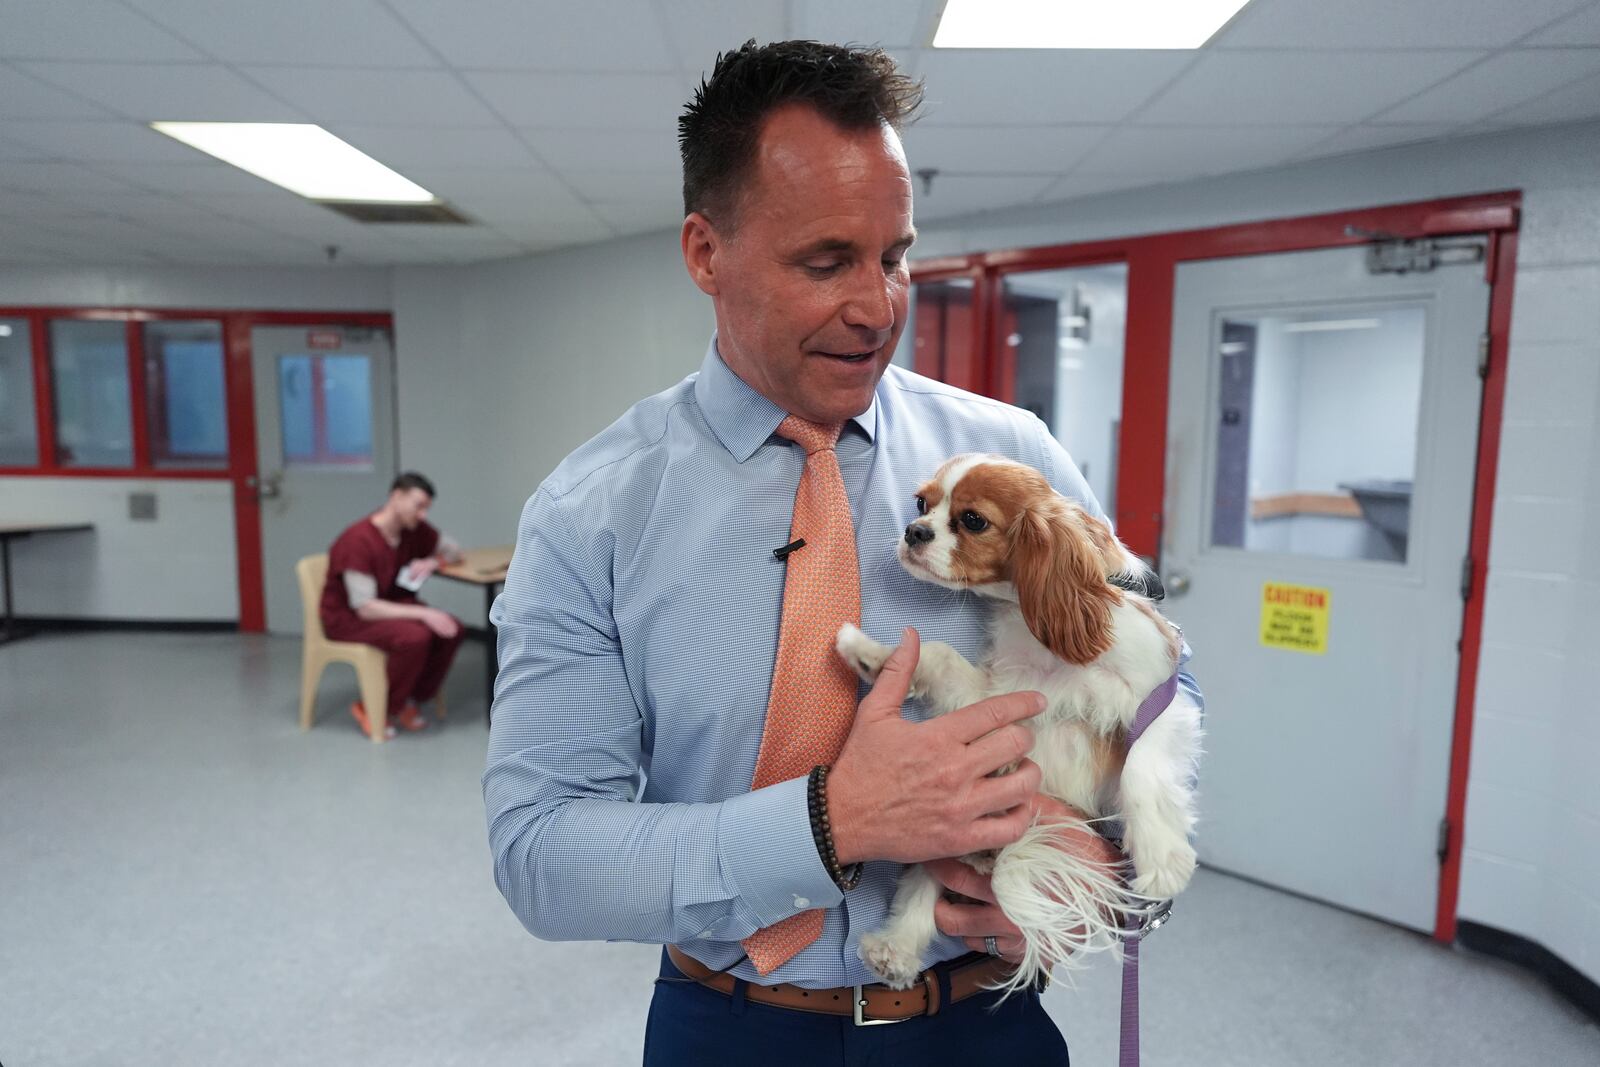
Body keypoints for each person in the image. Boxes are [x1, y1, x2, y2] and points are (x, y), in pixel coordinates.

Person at [484, 40, 1202, 1064]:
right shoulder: (587, 513)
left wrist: (1108, 856)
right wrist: (829, 821)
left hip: (980, 1018)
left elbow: (1157, 676)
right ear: (705, 253)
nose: (878, 307)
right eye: (826, 263)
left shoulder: (1013, 458)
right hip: (728, 1024)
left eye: (895, 255)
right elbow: (540, 854)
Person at [320, 471, 465, 740]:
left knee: (451, 629)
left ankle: (411, 700)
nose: (422, 515)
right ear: (396, 497)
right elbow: (365, 607)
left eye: (426, 509)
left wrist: (434, 562)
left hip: (393, 606)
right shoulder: (357, 540)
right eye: (418, 505)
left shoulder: (414, 531)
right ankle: (377, 707)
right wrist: (425, 612)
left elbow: (454, 551)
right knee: (416, 637)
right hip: (350, 619)